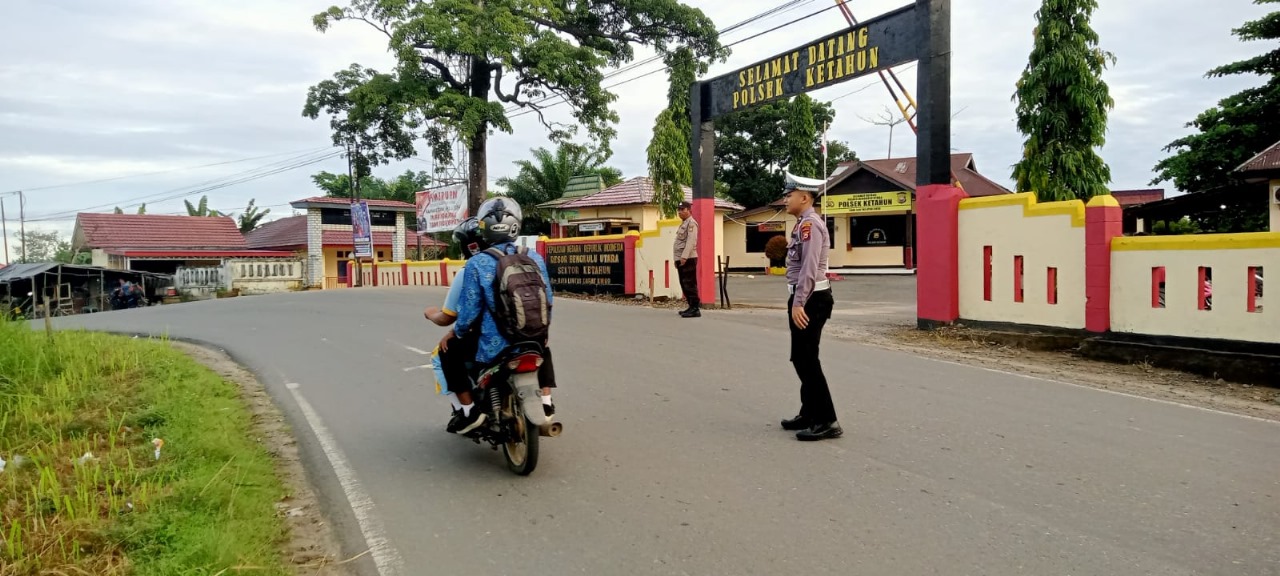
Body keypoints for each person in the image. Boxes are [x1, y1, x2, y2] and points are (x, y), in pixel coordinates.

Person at [447, 197, 558, 434]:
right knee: (544, 347)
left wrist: (457, 332)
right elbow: (548, 299)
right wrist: (543, 331)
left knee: (450, 352)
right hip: (533, 336)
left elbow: (469, 310)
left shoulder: (477, 263)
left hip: (494, 345)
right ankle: (547, 403)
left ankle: (469, 412)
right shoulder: (534, 257)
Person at [777, 182, 841, 441]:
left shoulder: (810, 225)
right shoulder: (802, 224)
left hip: (811, 299)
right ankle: (809, 413)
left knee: (807, 359)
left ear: (804, 198)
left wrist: (799, 302)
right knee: (801, 357)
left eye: (789, 195)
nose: (785, 200)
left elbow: (809, 267)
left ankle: (827, 420)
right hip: (805, 298)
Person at [423, 217, 486, 433]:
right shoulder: (513, 261)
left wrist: (431, 314)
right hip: (518, 333)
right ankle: (545, 401)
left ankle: (465, 410)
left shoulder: (468, 271)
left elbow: (448, 316)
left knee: (442, 353)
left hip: (482, 337)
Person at [674, 200, 701, 318]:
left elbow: (690, 242)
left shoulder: (691, 224)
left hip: (688, 258)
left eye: (682, 209)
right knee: (684, 283)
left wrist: (684, 257)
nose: (680, 212)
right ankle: (690, 306)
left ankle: (695, 308)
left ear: (689, 210)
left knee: (689, 283)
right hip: (681, 258)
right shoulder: (684, 223)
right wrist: (676, 259)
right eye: (679, 210)